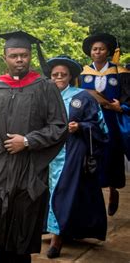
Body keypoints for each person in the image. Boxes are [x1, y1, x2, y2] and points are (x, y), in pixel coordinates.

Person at [0, 30, 68, 262]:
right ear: (5, 58)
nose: (19, 60)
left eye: (24, 55)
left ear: (30, 56)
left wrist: (27, 141)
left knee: (21, 229)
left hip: (28, 170)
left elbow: (59, 126)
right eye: (14, 56)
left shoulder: (45, 87)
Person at [44, 56, 108, 259]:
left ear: (71, 76)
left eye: (63, 74)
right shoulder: (44, 96)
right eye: (55, 74)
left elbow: (101, 127)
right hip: (47, 153)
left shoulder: (82, 97)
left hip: (72, 154)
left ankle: (58, 237)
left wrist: (81, 127)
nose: (59, 77)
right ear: (50, 76)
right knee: (45, 192)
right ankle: (53, 228)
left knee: (63, 192)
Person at [80, 33, 125, 216]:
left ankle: (113, 191)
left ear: (108, 52)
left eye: (101, 49)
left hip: (112, 121)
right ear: (90, 52)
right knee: (91, 157)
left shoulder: (119, 72)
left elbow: (126, 96)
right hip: (90, 122)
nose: (98, 52)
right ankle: (94, 197)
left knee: (112, 155)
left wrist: (121, 106)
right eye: (94, 49)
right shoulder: (82, 74)